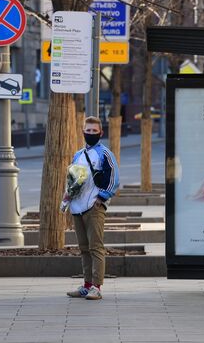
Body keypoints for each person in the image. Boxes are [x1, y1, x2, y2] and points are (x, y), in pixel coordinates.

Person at [66, 116, 120, 300]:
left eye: (93, 131)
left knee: (96, 247)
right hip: (77, 207)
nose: (90, 134)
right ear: (83, 131)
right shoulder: (78, 154)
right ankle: (86, 285)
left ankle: (96, 287)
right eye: (87, 130)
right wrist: (68, 197)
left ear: (101, 133)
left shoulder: (105, 154)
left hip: (94, 207)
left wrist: (102, 197)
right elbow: (73, 178)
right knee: (83, 248)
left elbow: (114, 178)